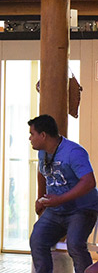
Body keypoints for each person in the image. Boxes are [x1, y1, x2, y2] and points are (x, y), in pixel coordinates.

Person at [28, 114, 98, 273]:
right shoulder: (42, 152)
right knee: (38, 240)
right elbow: (42, 173)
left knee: (75, 245)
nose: (30, 138)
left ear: (43, 135)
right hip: (56, 210)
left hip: (82, 209)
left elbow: (89, 182)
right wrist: (41, 197)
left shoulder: (74, 152)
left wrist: (60, 199)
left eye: (32, 134)